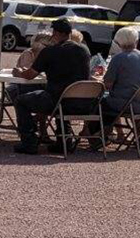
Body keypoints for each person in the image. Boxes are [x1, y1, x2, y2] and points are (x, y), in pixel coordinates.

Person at [11, 18, 92, 155]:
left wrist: (18, 72)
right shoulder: (84, 51)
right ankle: (63, 142)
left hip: (56, 100)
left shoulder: (49, 52)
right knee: (61, 100)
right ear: (69, 33)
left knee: (21, 101)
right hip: (82, 101)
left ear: (55, 33)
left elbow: (30, 75)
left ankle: (29, 142)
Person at [83, 27, 140, 148]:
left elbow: (108, 84)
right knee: (128, 97)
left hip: (124, 103)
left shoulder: (118, 58)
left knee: (98, 104)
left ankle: (96, 135)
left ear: (118, 42)